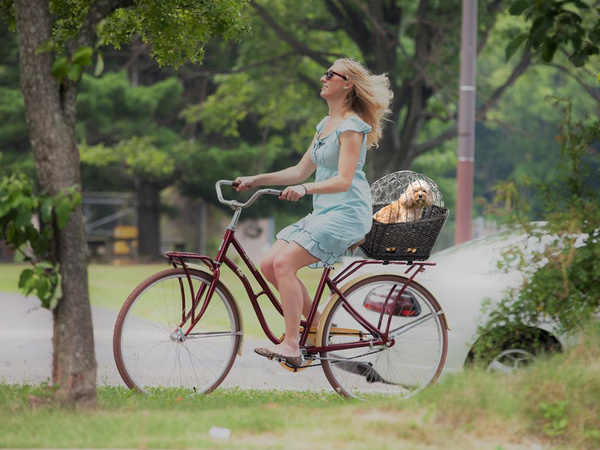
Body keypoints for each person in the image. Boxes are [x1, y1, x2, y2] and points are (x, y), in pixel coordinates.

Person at [235, 58, 393, 367]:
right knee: (268, 265)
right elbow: (299, 170)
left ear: (346, 84)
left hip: (347, 213)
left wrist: (307, 189)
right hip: (324, 212)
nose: (323, 78)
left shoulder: (351, 127)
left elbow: (344, 180)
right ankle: (319, 324)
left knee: (283, 263)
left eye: (330, 74)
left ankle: (293, 345)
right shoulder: (325, 125)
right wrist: (256, 180)